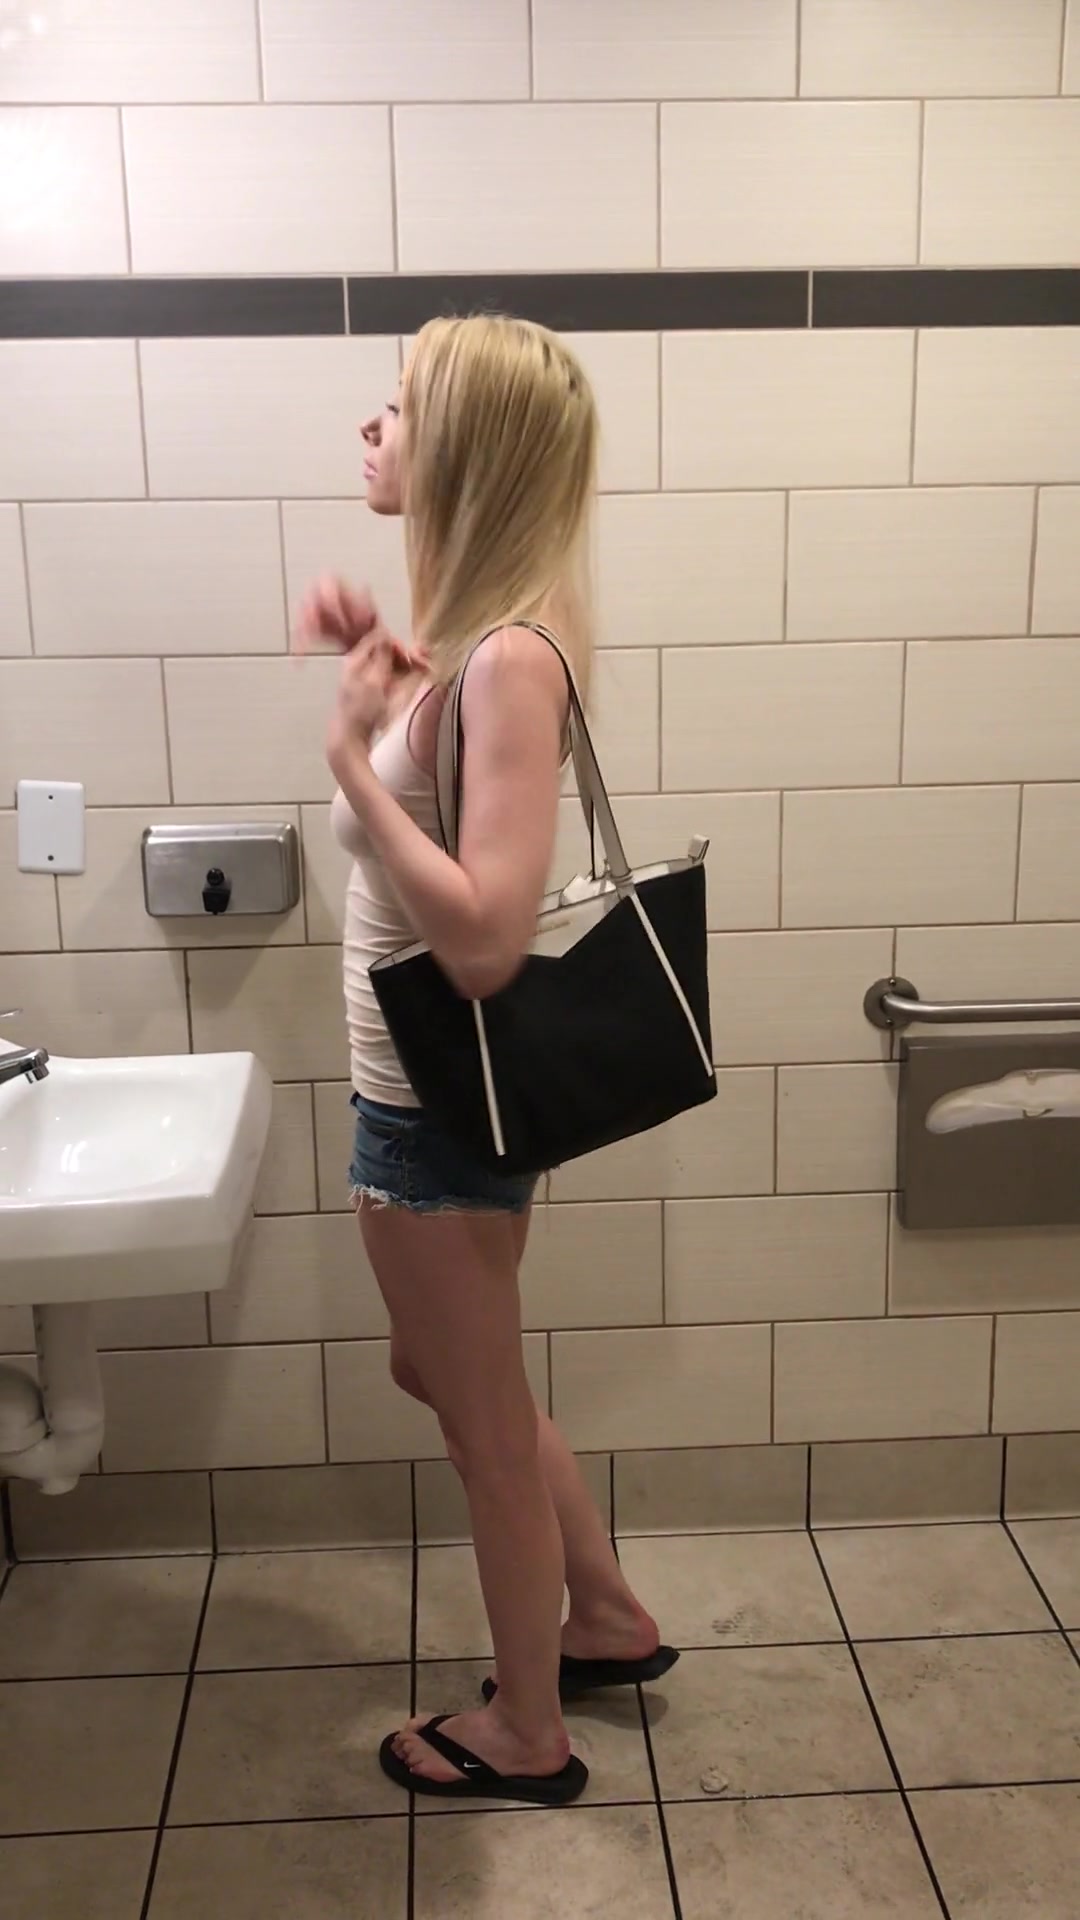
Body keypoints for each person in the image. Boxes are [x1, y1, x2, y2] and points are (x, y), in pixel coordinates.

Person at [298, 315, 676, 1807]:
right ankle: (605, 1614)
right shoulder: (479, 646)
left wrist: (348, 759)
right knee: (451, 1376)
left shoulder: (511, 658)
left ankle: (528, 1728)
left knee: (483, 1432)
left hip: (431, 1118)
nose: (371, 427)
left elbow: (482, 943)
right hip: (424, 1107)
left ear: (464, 449)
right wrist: (387, 688)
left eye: (398, 406)